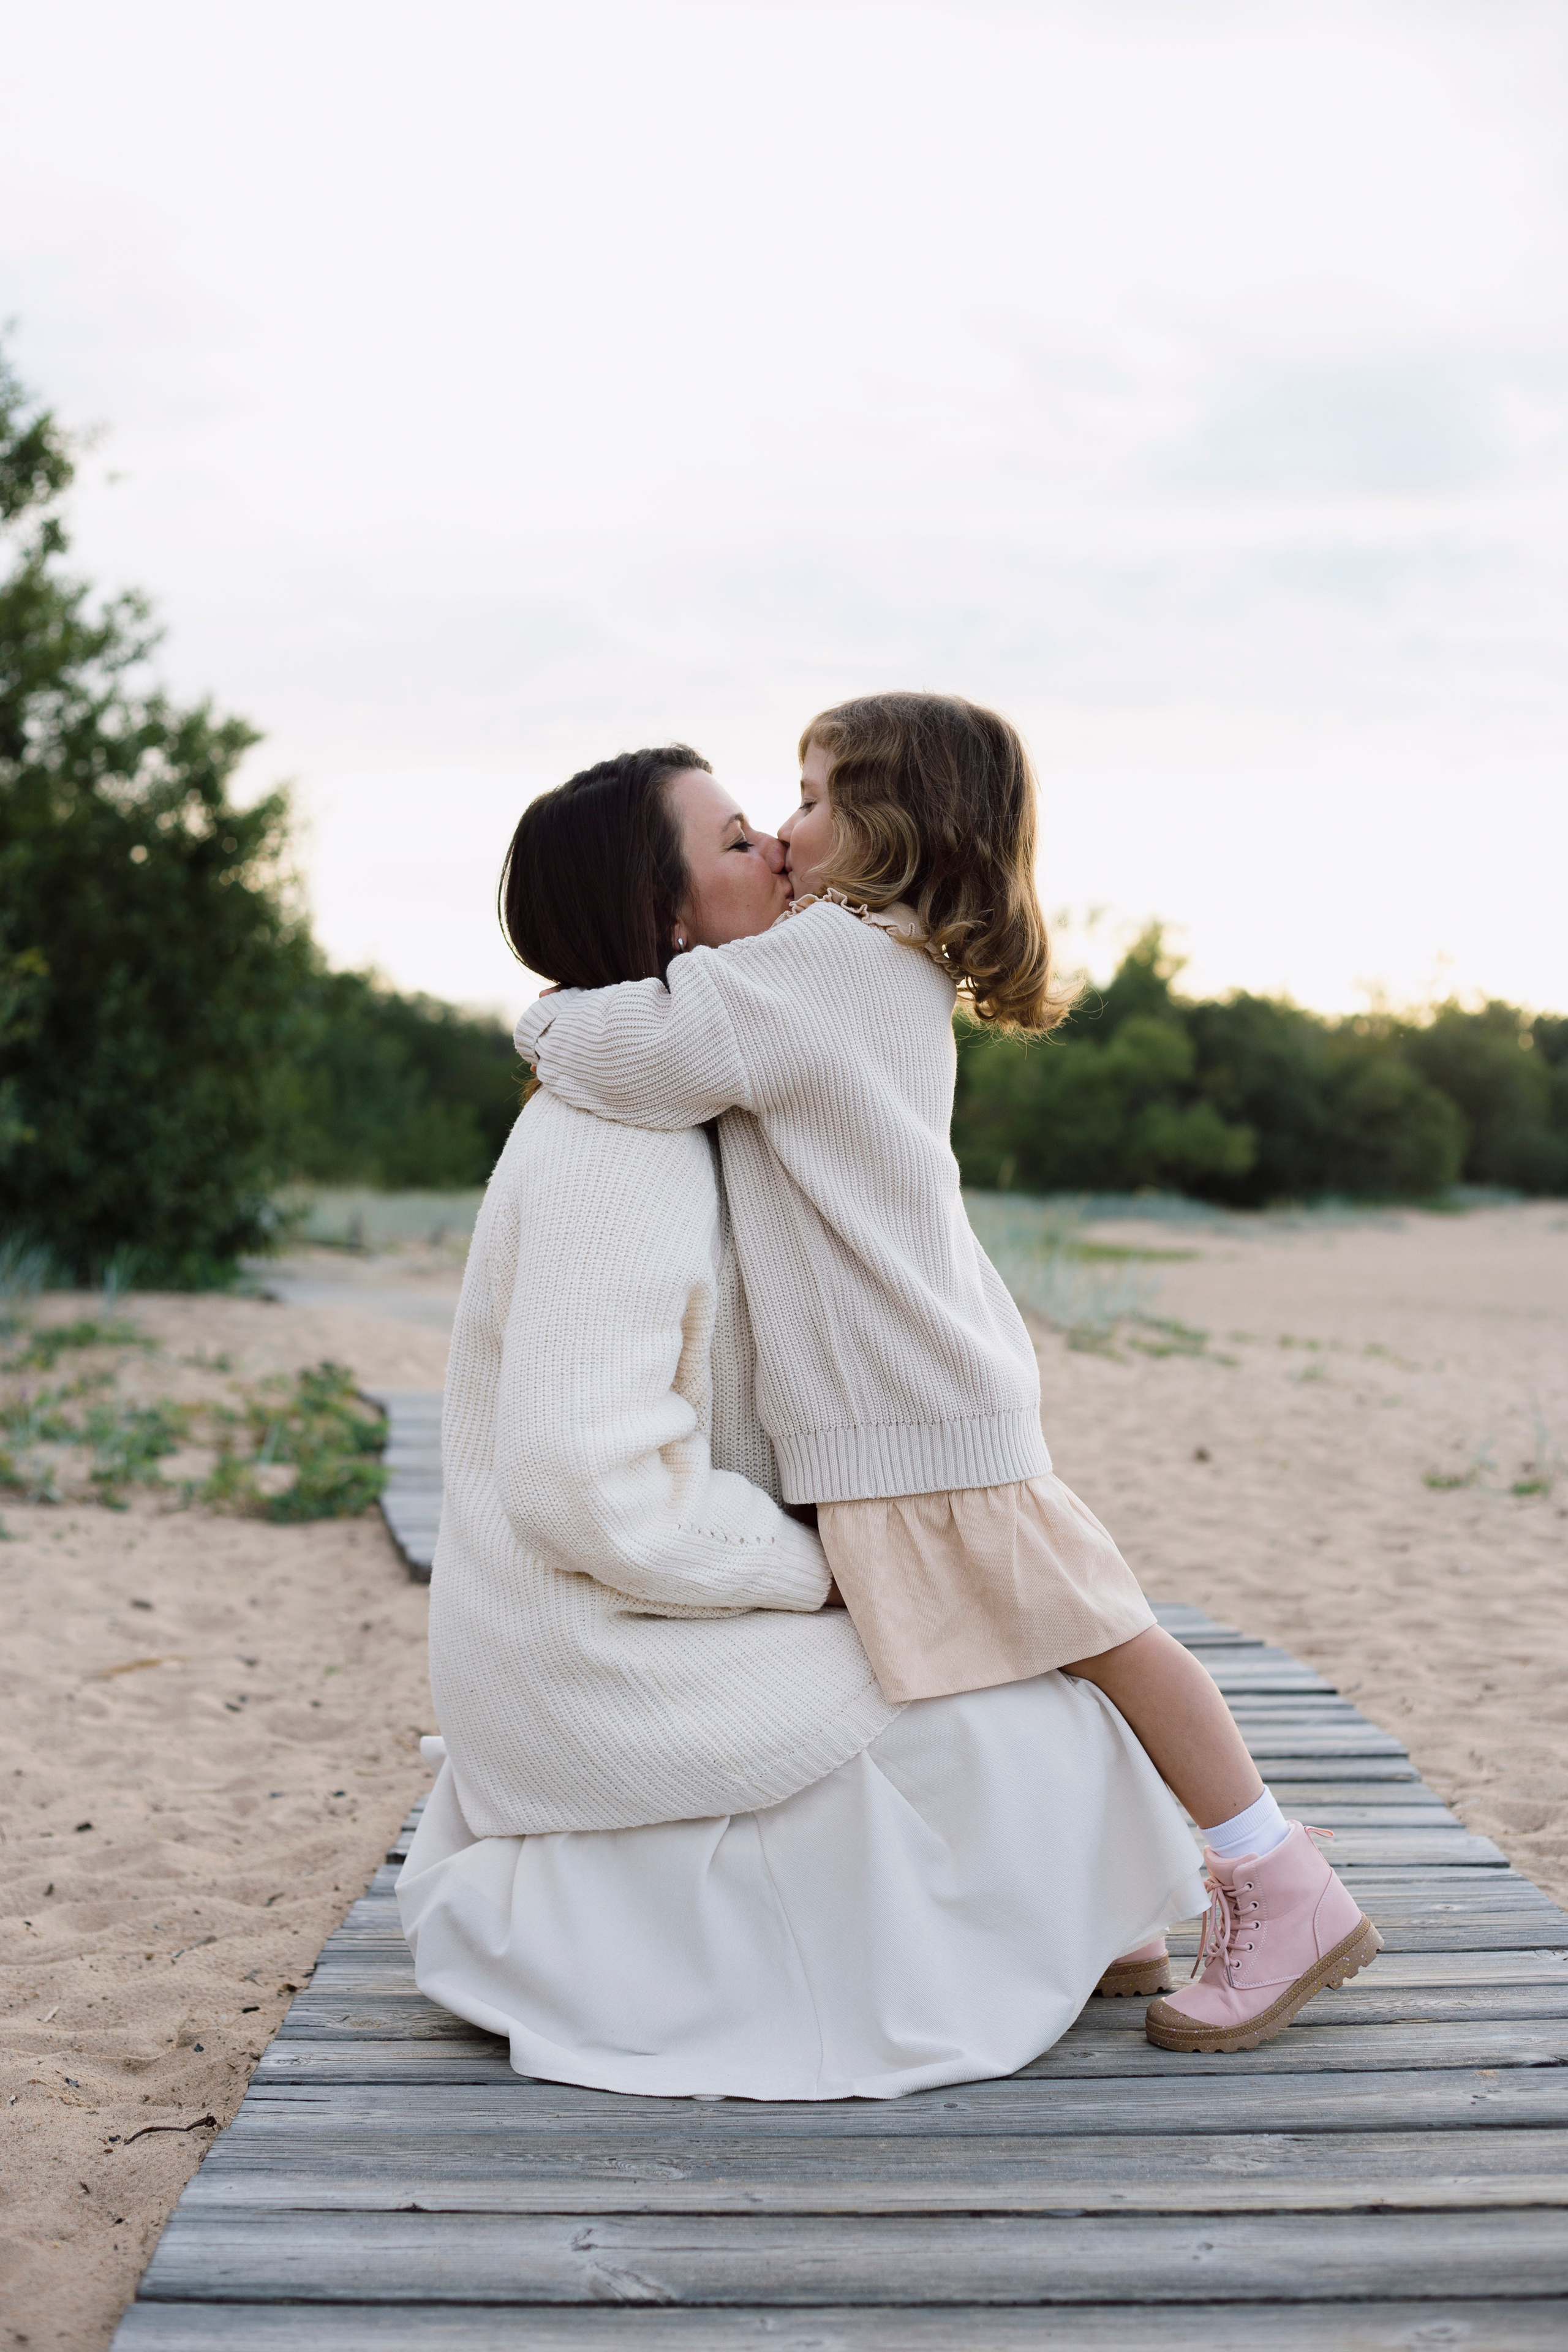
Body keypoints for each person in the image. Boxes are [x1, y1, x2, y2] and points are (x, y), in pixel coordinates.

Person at [516, 696, 1381, 2054]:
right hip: (910, 1396)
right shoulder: (865, 963)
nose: (784, 833)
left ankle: (1277, 1881)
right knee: (1019, 1666)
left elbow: (644, 1052)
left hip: (910, 1407)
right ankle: (1112, 1905)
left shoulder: (821, 968)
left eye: (805, 800)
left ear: (889, 826)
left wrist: (542, 1020)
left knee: (1104, 1641)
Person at [398, 743, 1207, 2101]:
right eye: (731, 844)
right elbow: (582, 1485)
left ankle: (1060, 1922)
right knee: (1009, 1720)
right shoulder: (618, 1145)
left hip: (659, 1599)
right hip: (596, 1645)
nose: (777, 849)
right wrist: (818, 1569)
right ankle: (1015, 1930)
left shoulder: (707, 1082)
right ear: (665, 919)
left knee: (1018, 1682)